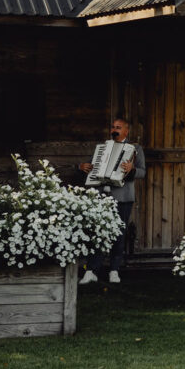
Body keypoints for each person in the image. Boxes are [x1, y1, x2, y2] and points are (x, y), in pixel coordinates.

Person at [79, 117, 145, 285]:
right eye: (113, 127)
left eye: (118, 127)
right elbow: (89, 165)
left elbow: (142, 172)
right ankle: (92, 271)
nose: (114, 130)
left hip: (123, 197)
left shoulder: (135, 149)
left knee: (119, 235)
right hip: (102, 196)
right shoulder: (102, 148)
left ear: (126, 131)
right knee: (97, 233)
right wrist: (82, 167)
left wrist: (132, 169)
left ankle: (114, 270)